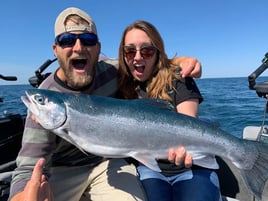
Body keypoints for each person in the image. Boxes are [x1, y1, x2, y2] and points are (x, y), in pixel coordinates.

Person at [8, 7, 202, 201]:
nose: (78, 48)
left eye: (88, 40)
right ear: (55, 49)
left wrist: (182, 61)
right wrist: (21, 196)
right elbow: (27, 166)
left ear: (98, 48)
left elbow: (142, 61)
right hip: (63, 170)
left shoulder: (111, 69)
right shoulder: (46, 96)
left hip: (107, 163)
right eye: (66, 40)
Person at [117, 20, 222, 201]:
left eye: (147, 50)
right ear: (123, 54)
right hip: (148, 168)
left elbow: (188, 124)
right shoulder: (120, 85)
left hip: (192, 167)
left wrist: (182, 61)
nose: (138, 57)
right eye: (130, 51)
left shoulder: (179, 77)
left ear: (157, 52)